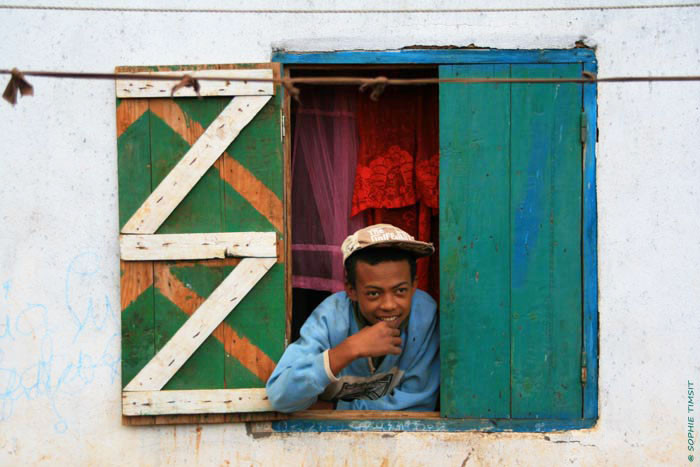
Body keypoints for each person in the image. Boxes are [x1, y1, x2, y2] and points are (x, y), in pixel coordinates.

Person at [266, 224, 439, 412]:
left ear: (414, 285)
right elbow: (280, 397)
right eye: (373, 293)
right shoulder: (330, 317)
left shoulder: (424, 316)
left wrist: (332, 409)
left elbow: (417, 407)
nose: (389, 305)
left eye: (400, 291)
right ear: (351, 290)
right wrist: (349, 349)